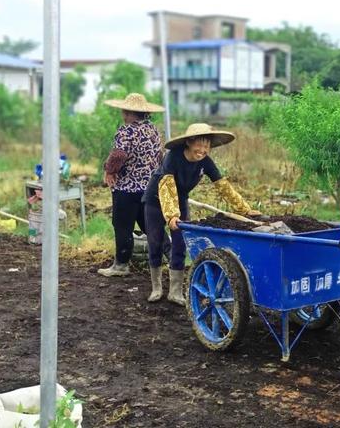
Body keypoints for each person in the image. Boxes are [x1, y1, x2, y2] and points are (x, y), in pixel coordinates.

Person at [142, 123, 259, 306]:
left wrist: (244, 209)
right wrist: (172, 215)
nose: (203, 150)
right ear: (189, 142)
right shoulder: (173, 157)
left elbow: (223, 186)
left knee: (180, 244)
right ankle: (157, 289)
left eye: (207, 146)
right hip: (156, 199)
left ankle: (175, 292)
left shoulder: (205, 162)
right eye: (200, 145)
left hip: (180, 199)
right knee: (155, 242)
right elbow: (167, 186)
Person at [98, 93, 165, 278]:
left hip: (127, 188)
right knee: (150, 225)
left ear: (127, 112)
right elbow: (160, 157)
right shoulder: (153, 130)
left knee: (122, 225)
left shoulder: (126, 131)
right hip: (150, 187)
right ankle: (169, 256)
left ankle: (121, 265)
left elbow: (118, 156)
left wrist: (109, 171)